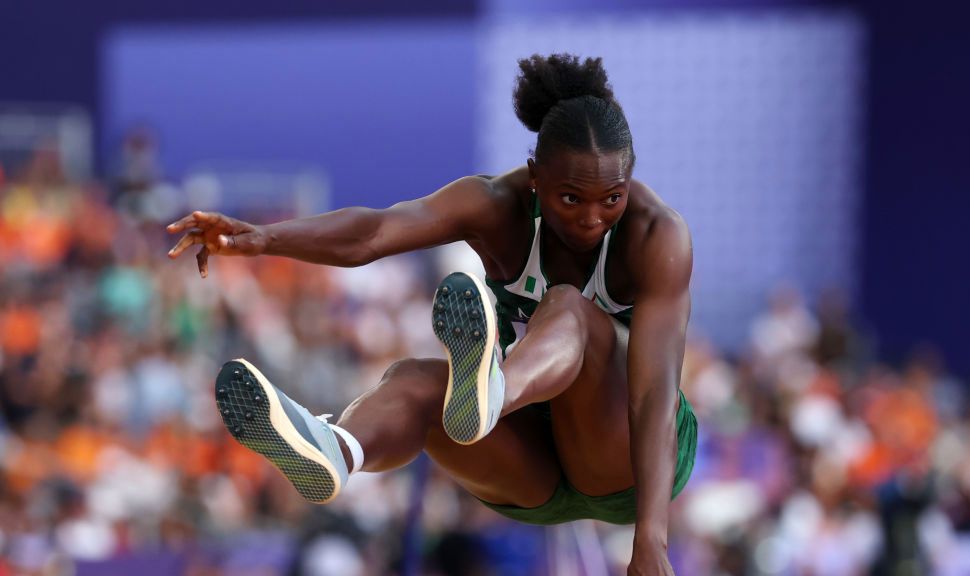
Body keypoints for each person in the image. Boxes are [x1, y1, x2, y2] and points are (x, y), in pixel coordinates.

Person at [167, 53, 697, 575]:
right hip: (534, 467)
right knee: (413, 380)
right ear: (535, 175)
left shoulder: (657, 237)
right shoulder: (494, 205)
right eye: (570, 198)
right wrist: (264, 238)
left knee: (568, 307)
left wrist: (651, 538)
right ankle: (340, 449)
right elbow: (375, 232)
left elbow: (653, 396)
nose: (591, 218)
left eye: (612, 197)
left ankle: (493, 393)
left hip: (629, 467)